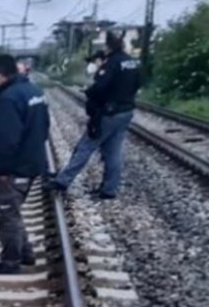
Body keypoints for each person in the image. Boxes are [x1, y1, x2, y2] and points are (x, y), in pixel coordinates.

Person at [49, 33, 141, 200]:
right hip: (126, 112)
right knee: (113, 152)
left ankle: (62, 181)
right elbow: (138, 83)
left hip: (109, 113)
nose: (103, 49)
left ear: (109, 47)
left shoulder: (112, 62)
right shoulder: (131, 62)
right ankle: (109, 189)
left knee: (86, 146)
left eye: (105, 46)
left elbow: (101, 86)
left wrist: (89, 92)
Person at [0, 54, 50, 276]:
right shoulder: (34, 91)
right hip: (32, 162)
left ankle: (10, 262)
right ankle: (26, 252)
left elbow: (5, 138)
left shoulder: (8, 98)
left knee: (6, 214)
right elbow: (45, 126)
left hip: (15, 167)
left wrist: (1, 170)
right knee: (13, 209)